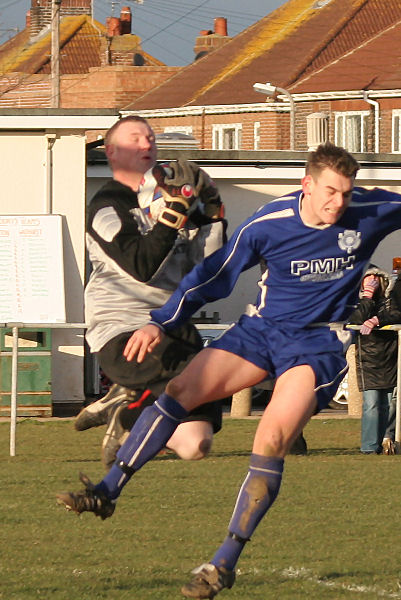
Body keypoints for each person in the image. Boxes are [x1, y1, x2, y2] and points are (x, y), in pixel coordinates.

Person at [57, 142, 401, 599]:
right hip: (261, 330)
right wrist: (162, 321)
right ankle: (107, 490)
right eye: (330, 192)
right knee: (180, 389)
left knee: (270, 440)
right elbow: (215, 275)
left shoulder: (370, 210)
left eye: (345, 193)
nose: (339, 202)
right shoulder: (268, 223)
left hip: (318, 343)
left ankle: (223, 564)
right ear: (307, 185)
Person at [75, 115, 226, 470]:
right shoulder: (106, 206)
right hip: (125, 333)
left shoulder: (169, 206)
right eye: (135, 138)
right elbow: (140, 265)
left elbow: (210, 271)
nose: (147, 145)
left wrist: (213, 213)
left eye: (151, 139)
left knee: (196, 445)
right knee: (213, 369)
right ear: (111, 152)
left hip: (174, 329)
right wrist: (172, 214)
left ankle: (127, 412)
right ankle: (129, 399)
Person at [348, 266, 401, 455]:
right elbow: (355, 319)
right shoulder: (358, 301)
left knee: (388, 404)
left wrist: (377, 319)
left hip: (388, 357)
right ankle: (369, 448)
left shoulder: (389, 300)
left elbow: (396, 313)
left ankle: (382, 443)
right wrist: (367, 298)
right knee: (371, 404)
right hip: (368, 359)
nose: (371, 282)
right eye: (367, 279)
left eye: (374, 279)